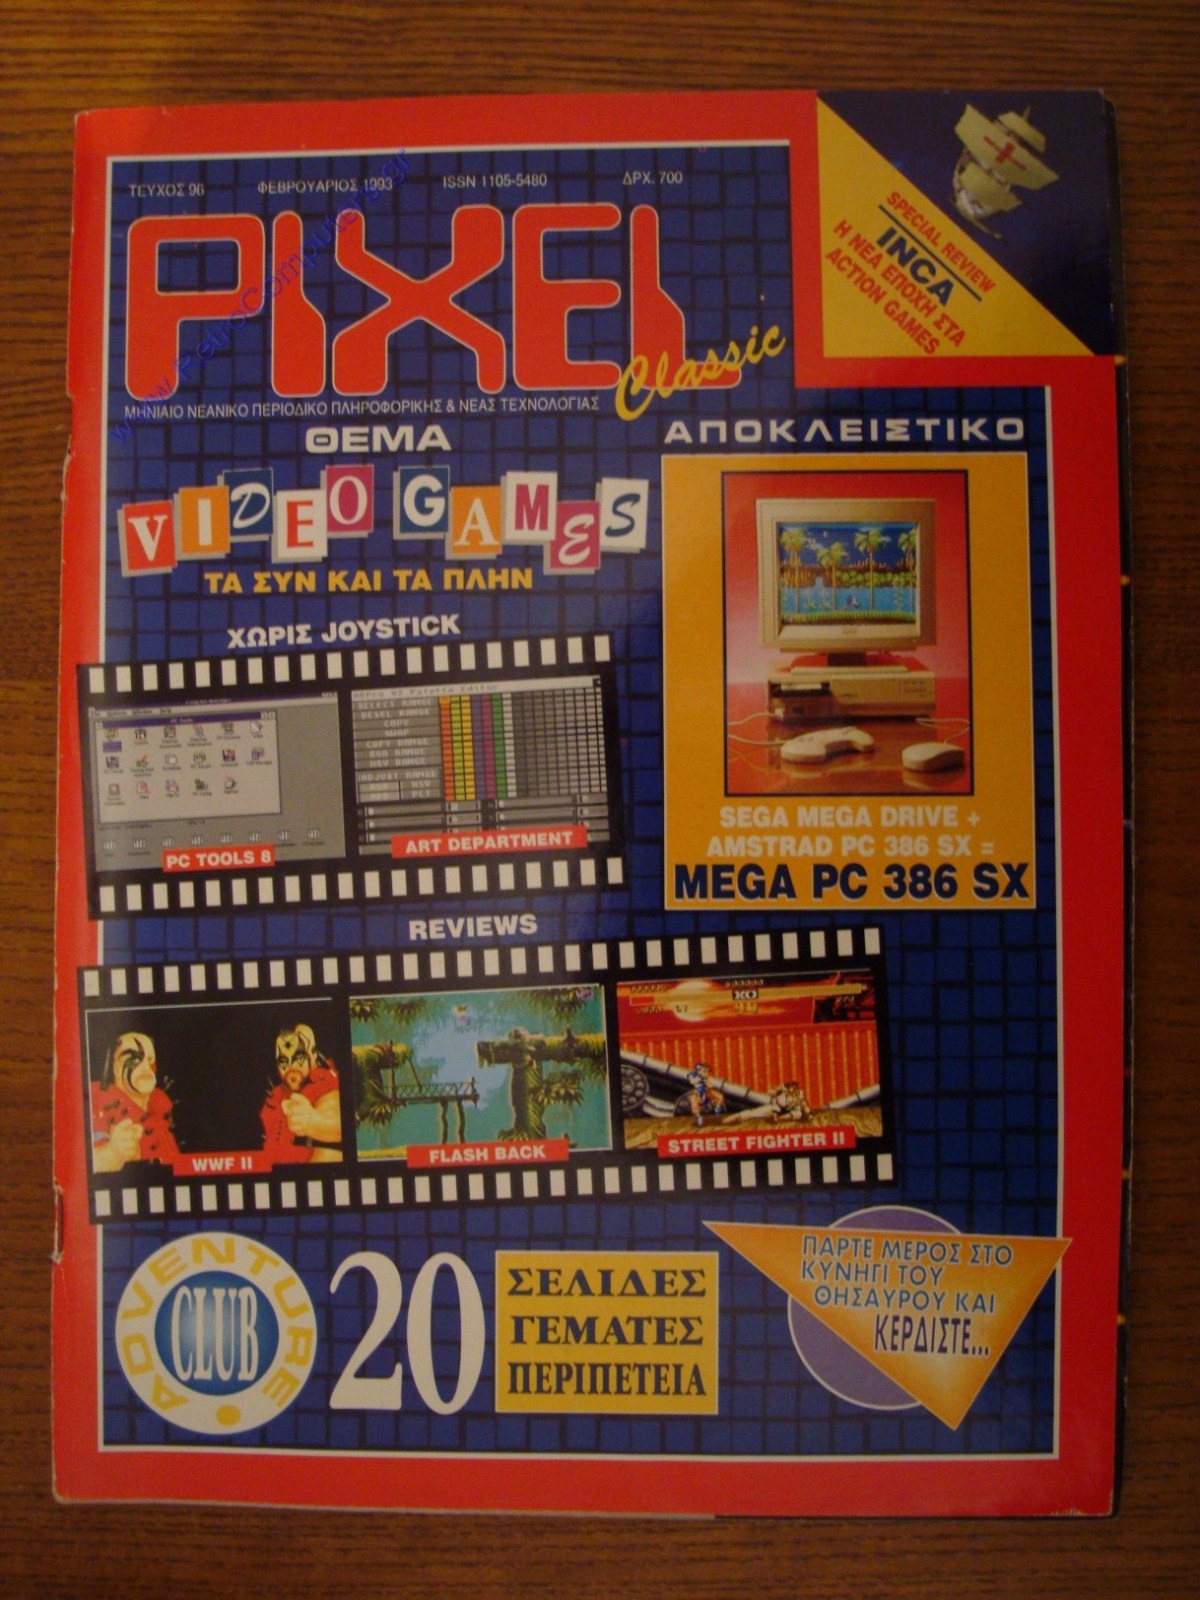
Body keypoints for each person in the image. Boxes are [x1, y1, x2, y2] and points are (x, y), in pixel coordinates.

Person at [91, 1030, 180, 1172]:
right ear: (116, 1069)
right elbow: (86, 1164)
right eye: (134, 1060)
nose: (146, 1068)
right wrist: (114, 1152)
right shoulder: (98, 1102)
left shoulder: (162, 1110)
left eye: (150, 1060)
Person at [260, 1023, 342, 1163]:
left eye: (299, 1058)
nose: (291, 1067)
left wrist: (312, 1121)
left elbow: (335, 1114)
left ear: (313, 1056)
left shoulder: (323, 1080)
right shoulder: (276, 1094)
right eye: (283, 1061)